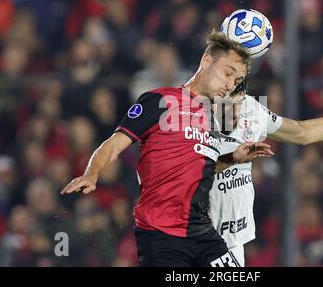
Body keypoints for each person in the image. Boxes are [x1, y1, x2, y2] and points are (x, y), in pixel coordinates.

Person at [60, 31, 274, 267]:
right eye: (228, 73)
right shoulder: (159, 101)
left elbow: (202, 168)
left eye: (236, 81)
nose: (229, 85)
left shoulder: (213, 118)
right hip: (161, 235)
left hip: (203, 233)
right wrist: (92, 173)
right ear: (206, 61)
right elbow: (113, 145)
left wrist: (234, 157)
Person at [210, 79, 323, 266]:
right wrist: (231, 158)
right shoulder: (188, 111)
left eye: (241, 74)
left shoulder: (252, 109)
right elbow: (188, 169)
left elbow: (303, 132)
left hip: (230, 243)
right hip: (193, 235)